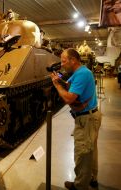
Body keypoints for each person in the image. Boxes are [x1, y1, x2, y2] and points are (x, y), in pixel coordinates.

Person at [50, 48, 102, 190]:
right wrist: (60, 80)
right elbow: (69, 85)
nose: (62, 64)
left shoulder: (82, 74)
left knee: (82, 153)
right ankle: (91, 178)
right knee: (90, 150)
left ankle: (80, 186)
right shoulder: (78, 73)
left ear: (73, 60)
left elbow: (68, 97)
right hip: (90, 117)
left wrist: (56, 86)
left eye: (64, 60)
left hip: (86, 119)